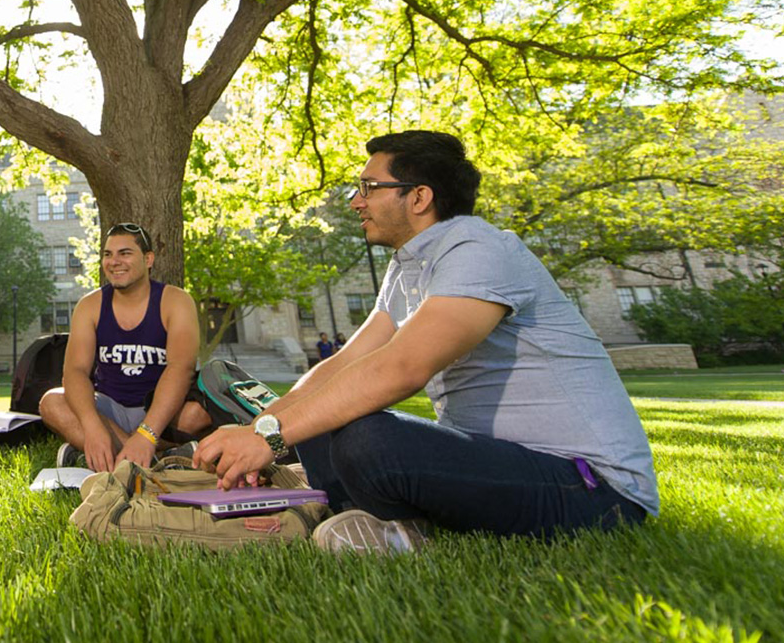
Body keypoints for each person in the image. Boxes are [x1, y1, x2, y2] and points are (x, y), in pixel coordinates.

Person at [195, 130, 659, 553]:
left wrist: (269, 440)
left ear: (418, 197)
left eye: (368, 188)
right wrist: (258, 427)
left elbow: (401, 369)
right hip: (499, 464)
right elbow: (345, 363)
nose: (356, 202)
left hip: (594, 490)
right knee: (330, 410)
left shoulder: (478, 250)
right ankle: (342, 507)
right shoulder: (407, 268)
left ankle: (395, 529)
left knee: (369, 438)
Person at [39, 222, 213, 472]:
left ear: (148, 259)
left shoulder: (176, 301)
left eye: (125, 253)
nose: (114, 261)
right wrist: (92, 426)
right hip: (110, 410)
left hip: (161, 410)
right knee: (52, 402)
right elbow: (75, 371)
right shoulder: (90, 305)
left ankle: (109, 456)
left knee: (199, 413)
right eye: (108, 254)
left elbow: (181, 369)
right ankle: (156, 460)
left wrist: (147, 433)